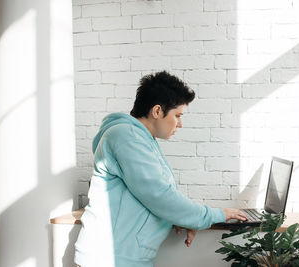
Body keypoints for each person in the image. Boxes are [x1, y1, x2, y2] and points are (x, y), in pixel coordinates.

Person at [74, 71, 248, 267]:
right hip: (109, 258)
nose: (180, 124)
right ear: (157, 111)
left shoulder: (141, 138)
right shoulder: (126, 136)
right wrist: (213, 215)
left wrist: (183, 218)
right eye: (178, 115)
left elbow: (148, 197)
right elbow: (159, 195)